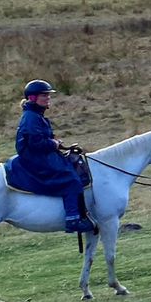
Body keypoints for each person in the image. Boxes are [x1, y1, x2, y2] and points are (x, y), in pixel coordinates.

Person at [12, 79, 95, 233]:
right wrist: (54, 144)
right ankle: (73, 220)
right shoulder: (31, 117)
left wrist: (56, 143)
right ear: (33, 98)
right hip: (35, 159)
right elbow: (36, 144)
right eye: (44, 95)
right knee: (71, 180)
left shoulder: (35, 115)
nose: (48, 98)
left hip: (39, 155)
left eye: (48, 95)